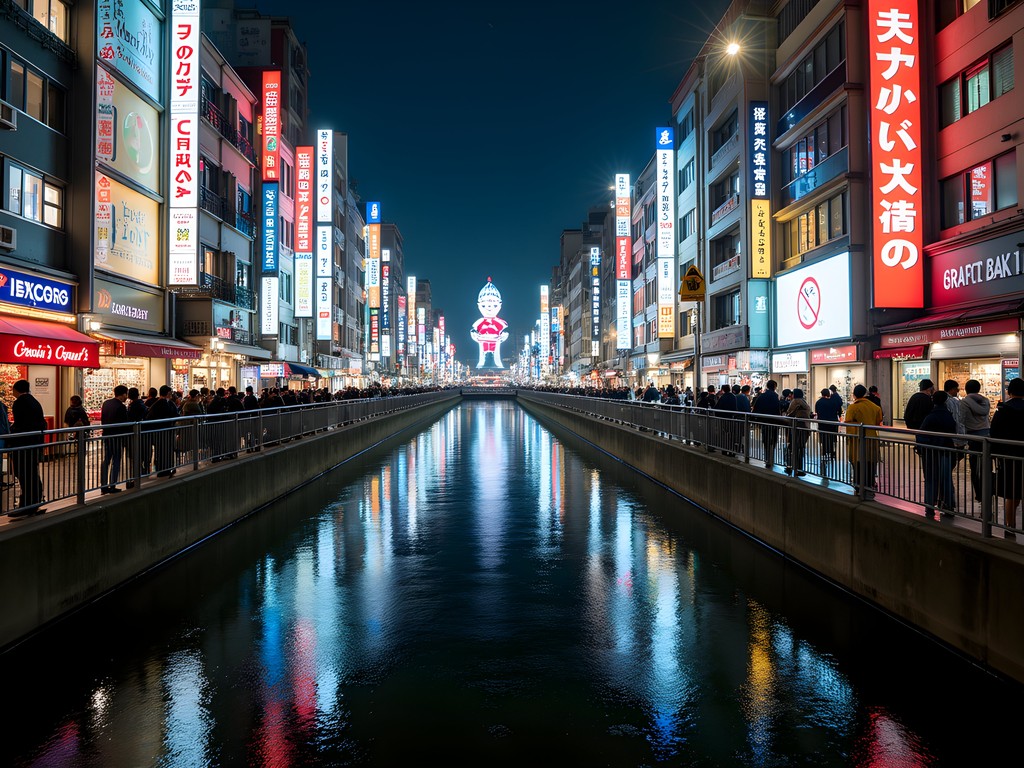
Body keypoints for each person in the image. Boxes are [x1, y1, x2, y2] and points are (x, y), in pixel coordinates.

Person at [990, 377, 1024, 540]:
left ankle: (1010, 526)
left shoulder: (1002, 410)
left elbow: (994, 433)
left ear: (1009, 392)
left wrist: (996, 454)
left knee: (1010, 491)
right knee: (1019, 490)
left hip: (1007, 456)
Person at [7, 379, 47, 516]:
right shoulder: (35, 402)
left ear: (16, 390)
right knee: (32, 474)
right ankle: (35, 502)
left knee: (24, 475)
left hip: (23, 445)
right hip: (35, 444)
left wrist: (11, 432)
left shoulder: (19, 403)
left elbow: (20, 424)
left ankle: (26, 505)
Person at [917, 390, 957, 516]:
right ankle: (948, 505)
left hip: (931, 452)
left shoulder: (930, 417)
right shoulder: (948, 416)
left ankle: (929, 506)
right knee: (946, 479)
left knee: (930, 479)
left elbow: (921, 435)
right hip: (946, 451)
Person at [844, 384, 883, 490]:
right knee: (871, 462)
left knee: (857, 462)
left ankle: (858, 484)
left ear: (854, 395)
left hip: (857, 440)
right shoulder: (875, 407)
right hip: (872, 439)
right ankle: (870, 483)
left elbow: (848, 423)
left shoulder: (853, 407)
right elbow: (877, 421)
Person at [961, 379, 992, 502]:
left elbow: (961, 420)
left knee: (975, 468)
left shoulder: (964, 403)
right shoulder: (986, 401)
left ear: (966, 389)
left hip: (972, 437)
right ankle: (988, 491)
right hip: (986, 436)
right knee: (987, 467)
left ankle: (979, 494)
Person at [99, 385, 129, 493]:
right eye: (126, 394)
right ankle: (112, 485)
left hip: (107, 436)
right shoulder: (121, 407)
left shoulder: (106, 403)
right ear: (123, 394)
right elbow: (124, 423)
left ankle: (103, 485)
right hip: (117, 437)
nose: (127, 396)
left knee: (106, 460)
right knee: (116, 460)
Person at [145, 385, 180, 477]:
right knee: (165, 451)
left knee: (161, 451)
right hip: (164, 432)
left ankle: (163, 469)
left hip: (160, 432)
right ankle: (165, 469)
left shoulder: (156, 404)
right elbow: (175, 415)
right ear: (168, 393)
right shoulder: (166, 404)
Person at [752, 379, 782, 467]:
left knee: (766, 439)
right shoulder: (775, 396)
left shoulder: (762, 396)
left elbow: (756, 408)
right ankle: (771, 457)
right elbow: (778, 409)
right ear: (775, 387)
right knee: (774, 439)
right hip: (774, 421)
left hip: (764, 421)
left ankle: (767, 457)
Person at [785, 388, 812, 476]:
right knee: (800, 447)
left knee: (792, 447)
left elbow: (789, 413)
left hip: (796, 427)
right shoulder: (804, 402)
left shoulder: (795, 402)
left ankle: (790, 466)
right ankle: (799, 468)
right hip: (805, 427)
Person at [814, 387, 843, 460]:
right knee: (832, 438)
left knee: (823, 438)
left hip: (822, 423)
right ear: (829, 394)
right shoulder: (833, 402)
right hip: (833, 423)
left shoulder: (818, 402)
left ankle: (824, 451)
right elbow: (838, 409)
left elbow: (817, 412)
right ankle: (831, 451)